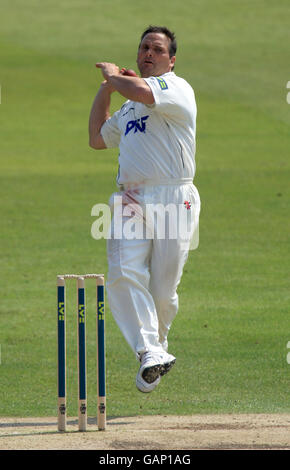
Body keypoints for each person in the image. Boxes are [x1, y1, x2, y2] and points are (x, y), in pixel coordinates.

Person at [89, 25, 200, 393]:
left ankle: (157, 348)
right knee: (121, 271)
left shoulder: (176, 87)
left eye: (156, 49)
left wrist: (117, 78)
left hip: (174, 197)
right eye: (143, 47)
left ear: (171, 60)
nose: (148, 53)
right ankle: (149, 351)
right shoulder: (129, 104)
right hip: (131, 199)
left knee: (163, 290)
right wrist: (107, 87)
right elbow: (97, 138)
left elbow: (141, 89)